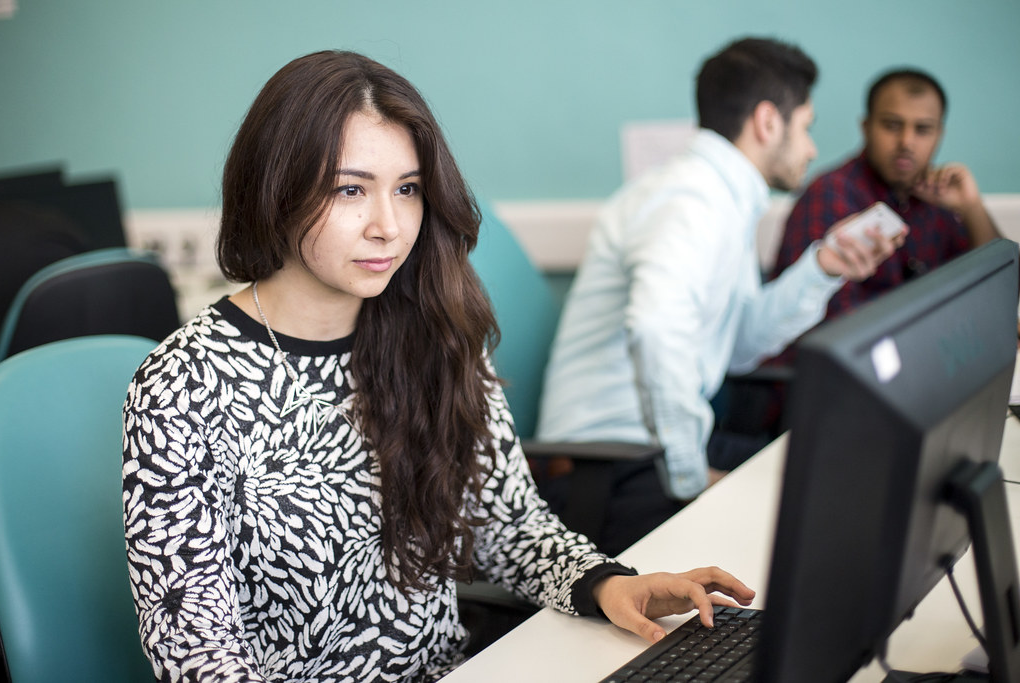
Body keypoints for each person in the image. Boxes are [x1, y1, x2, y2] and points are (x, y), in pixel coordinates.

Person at [120, 50, 755, 682]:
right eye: (349, 190)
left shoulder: (434, 332)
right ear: (275, 189)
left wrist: (611, 586)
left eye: (407, 189)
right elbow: (200, 656)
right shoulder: (183, 386)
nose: (389, 227)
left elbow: (510, 523)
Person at [536, 37, 904, 556]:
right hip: (610, 470)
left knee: (839, 476)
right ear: (768, 122)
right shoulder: (690, 200)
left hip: (647, 454)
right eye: (806, 126)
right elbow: (656, 329)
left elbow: (738, 344)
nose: (812, 148)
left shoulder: (718, 197)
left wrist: (823, 268)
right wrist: (692, 478)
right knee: (823, 527)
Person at [772, 68, 1001, 319]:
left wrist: (971, 208)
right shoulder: (831, 194)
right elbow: (833, 327)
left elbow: (1002, 291)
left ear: (939, 135)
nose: (906, 142)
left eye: (923, 129)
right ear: (866, 127)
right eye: (892, 125)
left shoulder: (939, 198)